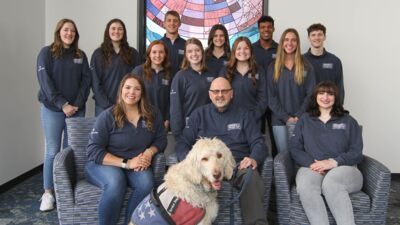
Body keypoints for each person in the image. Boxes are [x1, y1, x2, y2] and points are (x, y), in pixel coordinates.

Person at [176, 77, 269, 225]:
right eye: (216, 91)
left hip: (237, 166)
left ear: (231, 94)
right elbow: (182, 143)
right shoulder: (198, 115)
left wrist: (253, 159)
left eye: (224, 91)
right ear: (210, 94)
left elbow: (259, 143)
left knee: (251, 177)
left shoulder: (244, 114)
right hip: (206, 170)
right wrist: (191, 164)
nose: (220, 95)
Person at [85, 74, 167, 225]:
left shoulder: (152, 114)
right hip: (104, 164)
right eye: (127, 87)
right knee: (116, 182)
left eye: (137, 89)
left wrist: (149, 152)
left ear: (142, 93)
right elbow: (93, 150)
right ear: (121, 90)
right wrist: (127, 163)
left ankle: (131, 222)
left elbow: (161, 139)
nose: (132, 92)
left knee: (147, 183)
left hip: (136, 163)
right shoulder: (107, 116)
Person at [36, 18, 91, 211]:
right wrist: (63, 104)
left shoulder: (80, 55)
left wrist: (75, 104)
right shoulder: (47, 53)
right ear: (59, 31)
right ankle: (48, 193)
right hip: (53, 109)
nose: (69, 34)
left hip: (76, 110)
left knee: (71, 151)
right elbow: (45, 82)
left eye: (73, 31)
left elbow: (86, 81)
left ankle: (66, 190)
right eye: (66, 30)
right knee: (53, 151)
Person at [290, 81, 363, 225]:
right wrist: (314, 164)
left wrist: (333, 162)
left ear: (336, 98)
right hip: (312, 166)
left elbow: (357, 152)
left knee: (332, 183)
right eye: (321, 93)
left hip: (345, 169)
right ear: (315, 96)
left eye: (330, 94)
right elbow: (295, 148)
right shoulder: (305, 120)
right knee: (305, 185)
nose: (325, 97)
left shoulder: (349, 121)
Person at [267, 28, 316, 153]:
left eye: (293, 40)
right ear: (282, 43)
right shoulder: (273, 67)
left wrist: (298, 116)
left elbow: (311, 95)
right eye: (286, 40)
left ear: (298, 43)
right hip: (279, 121)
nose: (290, 43)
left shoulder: (307, 66)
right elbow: (270, 97)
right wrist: (286, 117)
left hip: (302, 119)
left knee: (300, 154)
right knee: (284, 156)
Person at [170, 38, 217, 142]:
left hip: (210, 126)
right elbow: (175, 107)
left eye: (197, 50)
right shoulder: (180, 76)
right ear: (186, 55)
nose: (194, 54)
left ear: (202, 52)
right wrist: (177, 134)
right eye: (190, 51)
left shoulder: (212, 74)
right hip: (189, 128)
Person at [91, 18, 139, 116]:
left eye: (120, 29)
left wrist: (128, 103)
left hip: (127, 106)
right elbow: (95, 82)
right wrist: (107, 105)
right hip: (103, 107)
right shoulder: (98, 54)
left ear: (124, 32)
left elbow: (137, 81)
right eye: (113, 28)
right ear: (107, 31)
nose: (116, 31)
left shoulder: (133, 53)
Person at [219, 36, 268, 128]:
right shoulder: (225, 71)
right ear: (234, 51)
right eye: (239, 48)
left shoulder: (259, 70)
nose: (242, 51)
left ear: (251, 51)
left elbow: (263, 98)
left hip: (253, 120)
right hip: (230, 120)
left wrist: (254, 116)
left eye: (246, 48)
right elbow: (220, 95)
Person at [132, 40, 171, 130]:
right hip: (141, 119)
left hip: (161, 121)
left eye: (161, 52)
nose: (157, 55)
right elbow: (132, 96)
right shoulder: (138, 71)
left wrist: (167, 119)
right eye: (154, 52)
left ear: (165, 54)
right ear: (149, 54)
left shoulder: (169, 73)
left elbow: (171, 100)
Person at [303, 23, 345, 103]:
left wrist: (338, 109)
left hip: (328, 108)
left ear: (324, 37)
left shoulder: (334, 61)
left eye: (320, 34)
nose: (317, 37)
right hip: (306, 109)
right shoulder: (300, 60)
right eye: (313, 35)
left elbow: (339, 88)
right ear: (308, 38)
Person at [160, 10, 186, 78]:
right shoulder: (158, 45)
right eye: (169, 20)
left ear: (179, 24)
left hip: (181, 84)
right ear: (164, 23)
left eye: (175, 21)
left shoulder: (186, 45)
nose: (172, 23)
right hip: (162, 84)